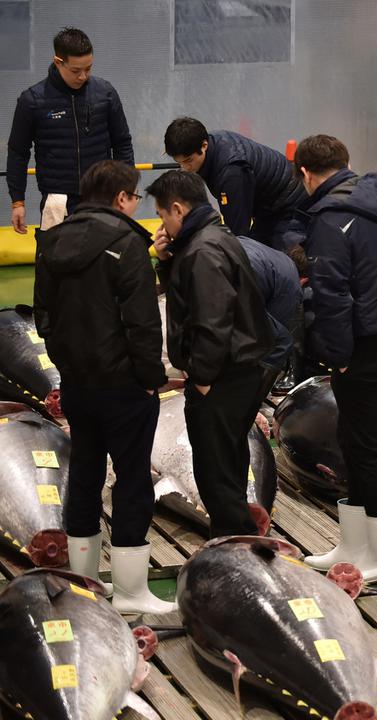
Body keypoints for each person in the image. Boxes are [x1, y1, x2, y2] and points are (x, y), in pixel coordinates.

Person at [32, 160, 172, 614]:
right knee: (132, 480)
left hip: (77, 384)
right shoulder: (128, 243)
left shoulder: (50, 241)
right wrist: (151, 379)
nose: (135, 204)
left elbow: (44, 317)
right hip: (125, 387)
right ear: (120, 199)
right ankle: (132, 591)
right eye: (133, 197)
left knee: (86, 475)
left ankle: (83, 583)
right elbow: (142, 324)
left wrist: (66, 364)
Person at [294, 135, 377, 585]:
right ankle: (353, 544)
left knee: (365, 448)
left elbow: (331, 295)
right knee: (350, 440)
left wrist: (338, 356)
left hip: (366, 346)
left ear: (306, 174)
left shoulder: (331, 218)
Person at [147, 170, 274, 539]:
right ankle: (238, 539)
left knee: (215, 468)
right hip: (239, 369)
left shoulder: (203, 250)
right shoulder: (213, 237)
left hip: (222, 376)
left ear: (177, 208)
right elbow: (191, 296)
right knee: (230, 460)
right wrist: (168, 260)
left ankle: (234, 545)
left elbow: (212, 319)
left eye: (161, 215)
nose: (161, 224)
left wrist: (202, 377)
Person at [7, 27, 133, 234]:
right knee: (56, 263)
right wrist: (17, 201)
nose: (83, 76)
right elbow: (18, 153)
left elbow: (122, 143)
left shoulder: (106, 93)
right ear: (58, 62)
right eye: (76, 71)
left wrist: (126, 190)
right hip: (57, 203)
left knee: (104, 263)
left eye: (89, 68)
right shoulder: (32, 101)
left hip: (102, 197)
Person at [162, 117, 306, 250]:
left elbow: (238, 231)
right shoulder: (204, 142)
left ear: (204, 145)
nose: (185, 168)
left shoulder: (231, 171)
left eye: (188, 161)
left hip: (290, 205)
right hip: (268, 207)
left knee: (283, 259)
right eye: (179, 162)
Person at [236, 235, 302, 401]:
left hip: (221, 266)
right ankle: (247, 403)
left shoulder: (273, 255)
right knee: (280, 342)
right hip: (234, 278)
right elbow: (270, 342)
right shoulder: (291, 282)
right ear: (305, 280)